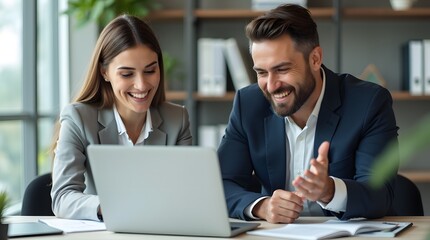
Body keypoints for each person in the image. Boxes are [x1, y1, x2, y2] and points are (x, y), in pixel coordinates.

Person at [217, 4, 399, 224]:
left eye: (282, 69)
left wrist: (329, 190)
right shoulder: (248, 104)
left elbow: (380, 194)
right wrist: (261, 207)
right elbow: (221, 184)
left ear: (315, 59)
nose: (272, 85)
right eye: (261, 73)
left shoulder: (368, 102)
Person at [50, 14, 192, 221]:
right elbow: (62, 198)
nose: (142, 85)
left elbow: (187, 194)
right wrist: (113, 206)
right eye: (127, 74)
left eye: (150, 71)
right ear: (104, 72)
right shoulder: (78, 118)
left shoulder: (177, 119)